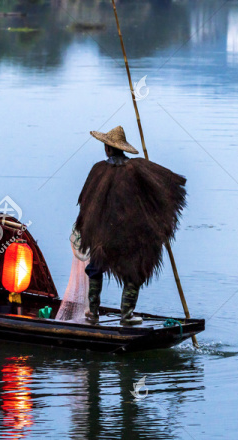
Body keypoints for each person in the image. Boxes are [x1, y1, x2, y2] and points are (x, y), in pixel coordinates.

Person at [75, 126, 187, 325]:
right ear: (122, 149)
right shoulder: (138, 167)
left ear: (108, 149)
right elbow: (172, 184)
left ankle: (93, 312)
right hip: (129, 233)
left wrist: (86, 226)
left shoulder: (98, 169)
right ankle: (126, 315)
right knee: (135, 270)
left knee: (96, 266)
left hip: (102, 233)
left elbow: (85, 202)